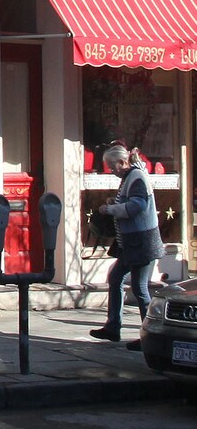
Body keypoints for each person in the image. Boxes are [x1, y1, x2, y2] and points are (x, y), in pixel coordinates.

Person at [89, 143, 162, 345]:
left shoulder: (136, 177)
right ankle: (113, 327)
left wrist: (112, 209)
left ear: (123, 161)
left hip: (141, 241)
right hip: (131, 242)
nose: (112, 171)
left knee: (139, 288)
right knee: (115, 277)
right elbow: (130, 202)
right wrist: (115, 202)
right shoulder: (129, 177)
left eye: (113, 167)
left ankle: (151, 335)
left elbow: (137, 206)